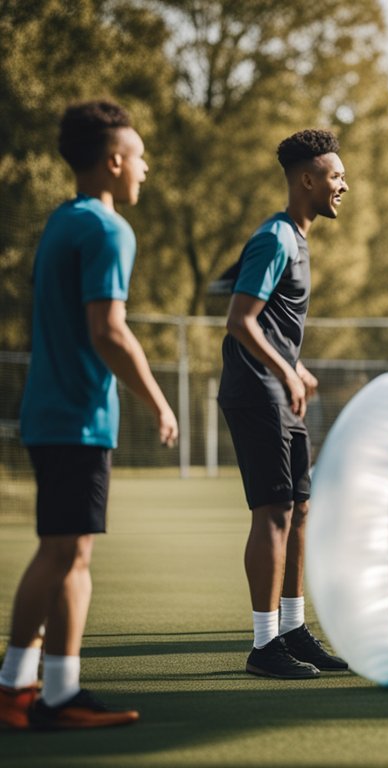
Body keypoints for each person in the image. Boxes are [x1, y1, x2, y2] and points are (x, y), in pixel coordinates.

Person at [0, 101, 178, 730]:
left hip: (56, 414)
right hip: (75, 417)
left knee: (70, 554)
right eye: (139, 156)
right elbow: (109, 330)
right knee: (62, 554)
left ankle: (46, 690)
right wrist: (158, 400)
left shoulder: (61, 221)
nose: (146, 168)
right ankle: (24, 690)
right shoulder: (106, 229)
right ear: (113, 161)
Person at [218, 129, 350, 679]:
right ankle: (264, 644)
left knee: (299, 510)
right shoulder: (275, 238)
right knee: (273, 513)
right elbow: (240, 320)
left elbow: (269, 325)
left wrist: (294, 367)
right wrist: (283, 369)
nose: (345, 185)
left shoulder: (299, 236)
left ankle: (293, 629)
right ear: (307, 180)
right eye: (336, 176)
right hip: (257, 391)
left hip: (280, 388)